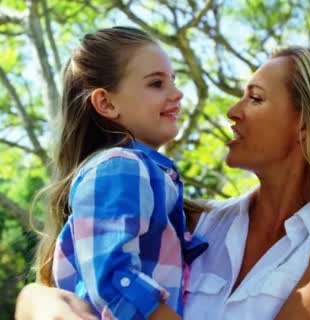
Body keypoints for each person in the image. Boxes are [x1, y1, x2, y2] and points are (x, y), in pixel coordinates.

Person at [16, 46, 310, 319]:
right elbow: (62, 282)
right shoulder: (194, 225)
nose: (234, 112)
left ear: (305, 123)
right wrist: (39, 304)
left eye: (255, 98)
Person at [31, 26, 208, 320]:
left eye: (173, 81)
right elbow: (113, 277)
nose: (177, 94)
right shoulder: (119, 167)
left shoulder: (145, 172)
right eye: (156, 83)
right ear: (107, 103)